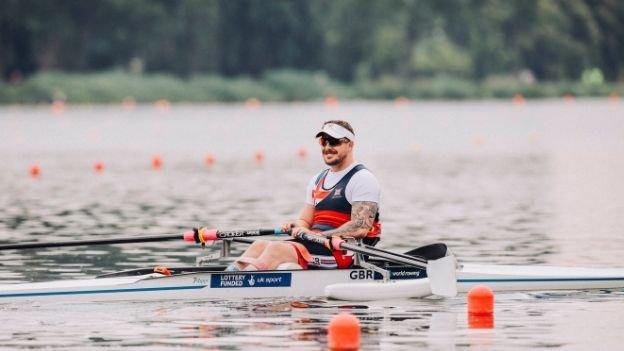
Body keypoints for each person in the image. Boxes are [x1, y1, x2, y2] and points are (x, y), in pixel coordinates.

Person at [227, 120, 381, 271]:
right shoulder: (317, 179)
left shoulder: (362, 178)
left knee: (276, 249)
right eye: (324, 141)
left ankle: (239, 286)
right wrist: (297, 227)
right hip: (316, 244)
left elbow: (360, 228)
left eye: (334, 142)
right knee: (259, 245)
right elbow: (305, 220)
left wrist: (319, 235)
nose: (328, 147)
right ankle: (228, 277)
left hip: (345, 252)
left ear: (350, 145)